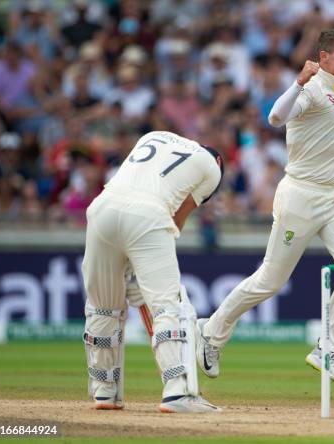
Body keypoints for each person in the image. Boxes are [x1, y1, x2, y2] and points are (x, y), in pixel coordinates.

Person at [196, 29, 334, 384]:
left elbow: (315, 141)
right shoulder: (310, 88)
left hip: (333, 195)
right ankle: (211, 334)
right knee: (269, 281)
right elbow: (275, 118)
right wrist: (297, 81)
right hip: (300, 197)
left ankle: (329, 348)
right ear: (324, 58)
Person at [81, 130, 224, 413]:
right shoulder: (213, 170)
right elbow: (177, 218)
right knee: (167, 306)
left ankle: (104, 391)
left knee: (103, 307)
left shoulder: (155, 136)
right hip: (148, 216)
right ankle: (177, 391)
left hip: (102, 209)